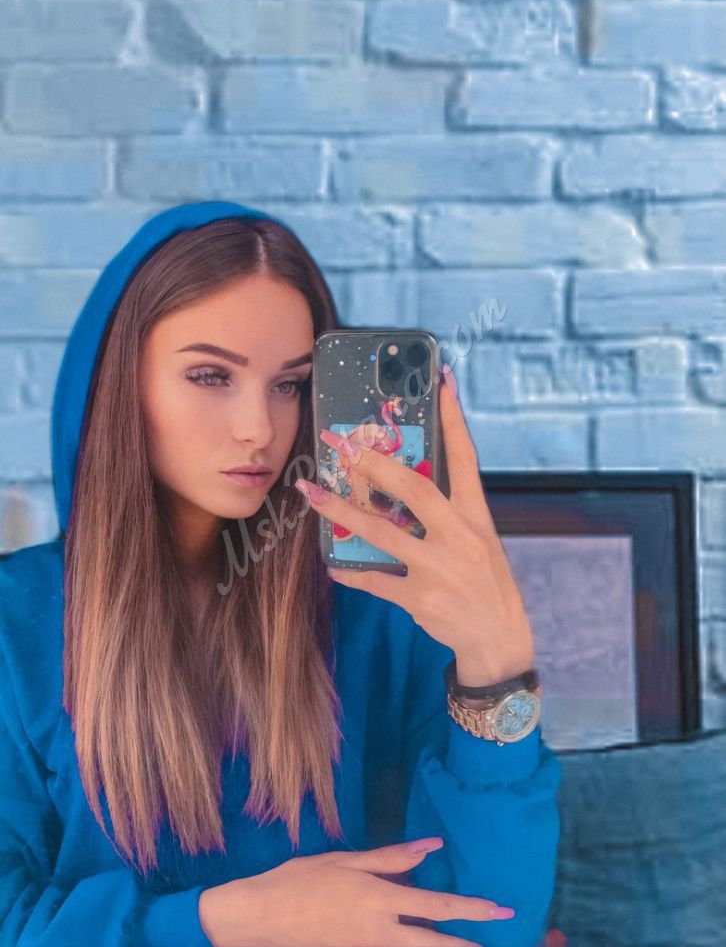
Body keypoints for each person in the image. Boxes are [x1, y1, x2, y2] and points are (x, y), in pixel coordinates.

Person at [0, 201, 562, 947]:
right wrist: (229, 919)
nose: (258, 429)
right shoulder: (16, 629)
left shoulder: (379, 610)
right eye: (210, 375)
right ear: (117, 383)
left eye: (291, 384)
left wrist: (497, 661)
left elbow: (491, 927)